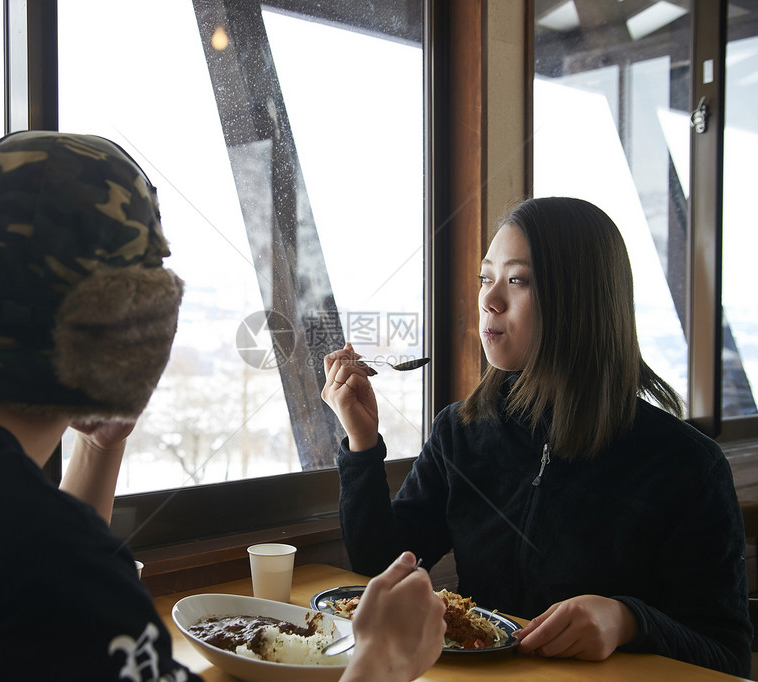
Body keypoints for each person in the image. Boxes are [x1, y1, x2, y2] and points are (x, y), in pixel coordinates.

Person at [0, 131, 445, 681]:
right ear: (128, 324)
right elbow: (55, 577)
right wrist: (380, 663)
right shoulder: (53, 563)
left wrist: (100, 443)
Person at [322, 196, 753, 677]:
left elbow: (727, 656)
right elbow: (379, 568)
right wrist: (361, 444)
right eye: (486, 277)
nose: (489, 299)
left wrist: (628, 619)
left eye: (517, 280)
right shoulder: (460, 431)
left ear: (579, 299)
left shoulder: (687, 465)